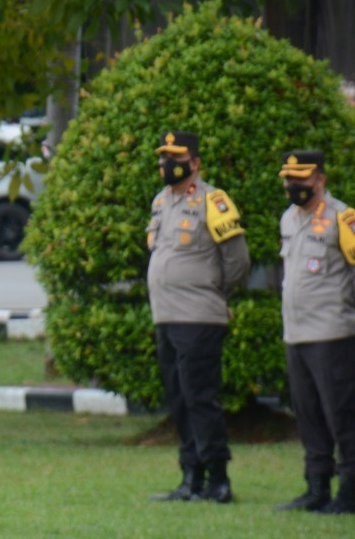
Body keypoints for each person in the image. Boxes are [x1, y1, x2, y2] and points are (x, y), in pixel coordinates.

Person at [146, 131, 250, 504]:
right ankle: (190, 476)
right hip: (167, 316)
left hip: (198, 317)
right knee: (178, 397)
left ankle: (217, 479)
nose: (167, 163)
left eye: (176, 156)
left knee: (199, 397)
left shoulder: (213, 200)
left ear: (195, 163)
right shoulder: (162, 201)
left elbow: (237, 261)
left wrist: (213, 294)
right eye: (163, 156)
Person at [274, 150, 355, 514]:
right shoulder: (289, 219)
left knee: (340, 412)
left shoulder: (343, 218)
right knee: (308, 413)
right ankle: (316, 485)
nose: (293, 185)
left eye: (300, 178)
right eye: (288, 179)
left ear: (320, 178)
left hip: (332, 333)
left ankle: (349, 489)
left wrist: (348, 312)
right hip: (297, 334)